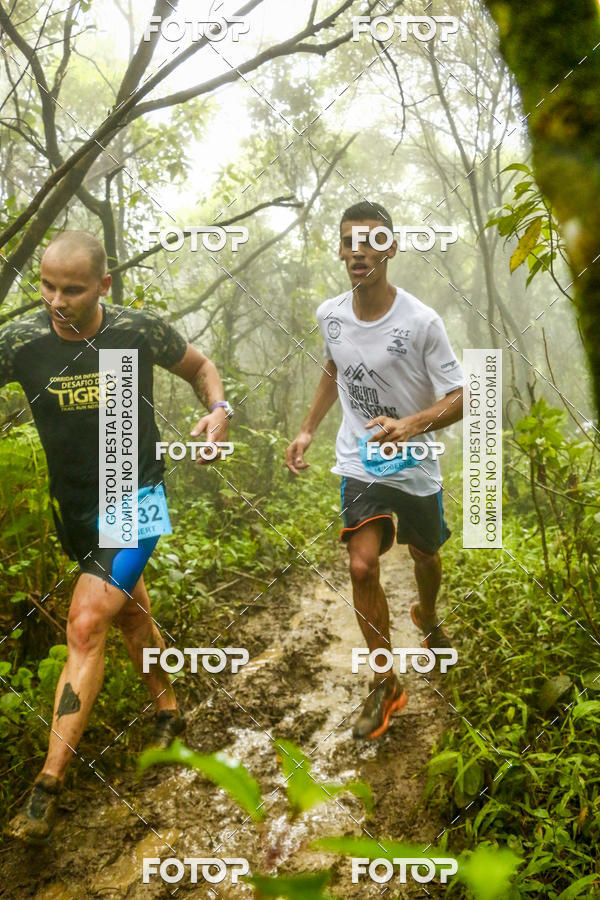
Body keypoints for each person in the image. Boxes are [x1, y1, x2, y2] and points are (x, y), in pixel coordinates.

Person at [1, 230, 233, 842]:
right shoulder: (20, 342)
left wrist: (218, 410)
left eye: (72, 289)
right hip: (73, 508)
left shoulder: (135, 331)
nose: (56, 299)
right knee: (129, 614)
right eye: (47, 286)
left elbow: (201, 366)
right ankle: (168, 709)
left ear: (102, 285)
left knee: (84, 622)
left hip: (133, 496)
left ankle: (47, 787)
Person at [285, 202, 464, 741]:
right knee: (361, 567)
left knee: (425, 554)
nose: (357, 251)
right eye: (348, 242)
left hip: (415, 465)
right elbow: (334, 365)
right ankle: (386, 682)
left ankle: (427, 617)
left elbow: (462, 397)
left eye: (370, 240)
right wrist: (309, 427)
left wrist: (411, 425)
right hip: (359, 458)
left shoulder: (421, 321)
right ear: (340, 251)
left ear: (389, 248)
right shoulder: (330, 314)